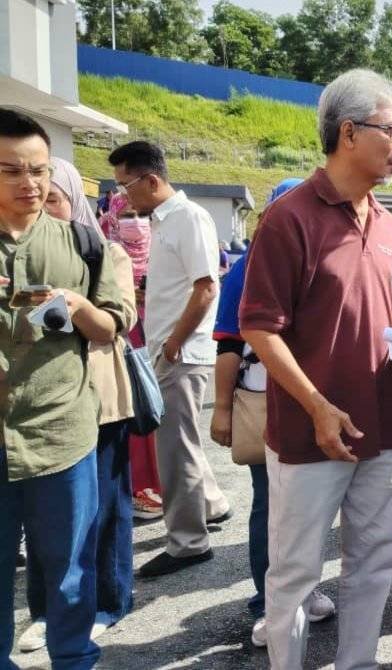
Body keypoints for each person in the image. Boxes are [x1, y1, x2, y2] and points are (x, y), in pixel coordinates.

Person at [240, 68, 392, 670]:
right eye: (390, 129)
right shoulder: (289, 218)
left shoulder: (384, 220)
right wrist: (316, 404)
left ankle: (357, 661)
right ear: (348, 132)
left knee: (373, 560)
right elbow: (259, 325)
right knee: (294, 573)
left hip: (380, 426)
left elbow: (383, 301)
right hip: (312, 433)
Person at [0, 107, 126, 670]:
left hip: (62, 433)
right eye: (11, 171)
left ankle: (74, 659)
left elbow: (112, 328)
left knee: (70, 568)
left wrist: (76, 306)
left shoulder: (81, 242)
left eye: (39, 170)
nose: (30, 184)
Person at [18, 158, 139, 653]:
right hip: (35, 406)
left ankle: (108, 602)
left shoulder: (101, 251)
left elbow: (120, 321)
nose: (43, 207)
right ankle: (47, 612)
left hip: (101, 398)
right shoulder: (18, 256)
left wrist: (75, 305)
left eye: (52, 196)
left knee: (104, 508)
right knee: (44, 519)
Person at [210, 177, 336, 649]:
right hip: (267, 404)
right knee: (272, 507)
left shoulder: (321, 258)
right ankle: (267, 602)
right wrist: (222, 409)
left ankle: (306, 589)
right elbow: (228, 343)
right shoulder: (247, 268)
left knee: (313, 508)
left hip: (319, 403)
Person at [109, 141, 231, 578]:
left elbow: (205, 287)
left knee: (174, 450)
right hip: (169, 347)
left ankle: (188, 543)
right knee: (181, 442)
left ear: (152, 179)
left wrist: (175, 343)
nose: (124, 196)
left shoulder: (189, 218)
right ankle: (212, 505)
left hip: (183, 351)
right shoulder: (164, 222)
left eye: (126, 186)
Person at [101, 194, 163, 521]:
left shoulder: (160, 248)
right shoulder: (104, 251)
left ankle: (161, 487)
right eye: (126, 215)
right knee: (135, 409)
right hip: (128, 338)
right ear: (112, 217)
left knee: (159, 413)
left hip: (162, 336)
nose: (135, 222)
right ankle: (139, 488)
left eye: (141, 214)